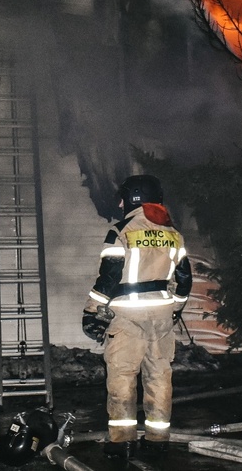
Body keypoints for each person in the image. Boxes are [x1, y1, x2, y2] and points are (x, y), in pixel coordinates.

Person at [81, 174, 192, 460]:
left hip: (128, 319)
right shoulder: (174, 234)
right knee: (159, 378)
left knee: (122, 378)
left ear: (133, 198)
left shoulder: (120, 231)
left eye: (123, 197)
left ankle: (122, 442)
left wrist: (92, 311)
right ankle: (157, 440)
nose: (118, 203)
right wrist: (175, 309)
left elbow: (108, 278)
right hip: (162, 319)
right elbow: (184, 279)